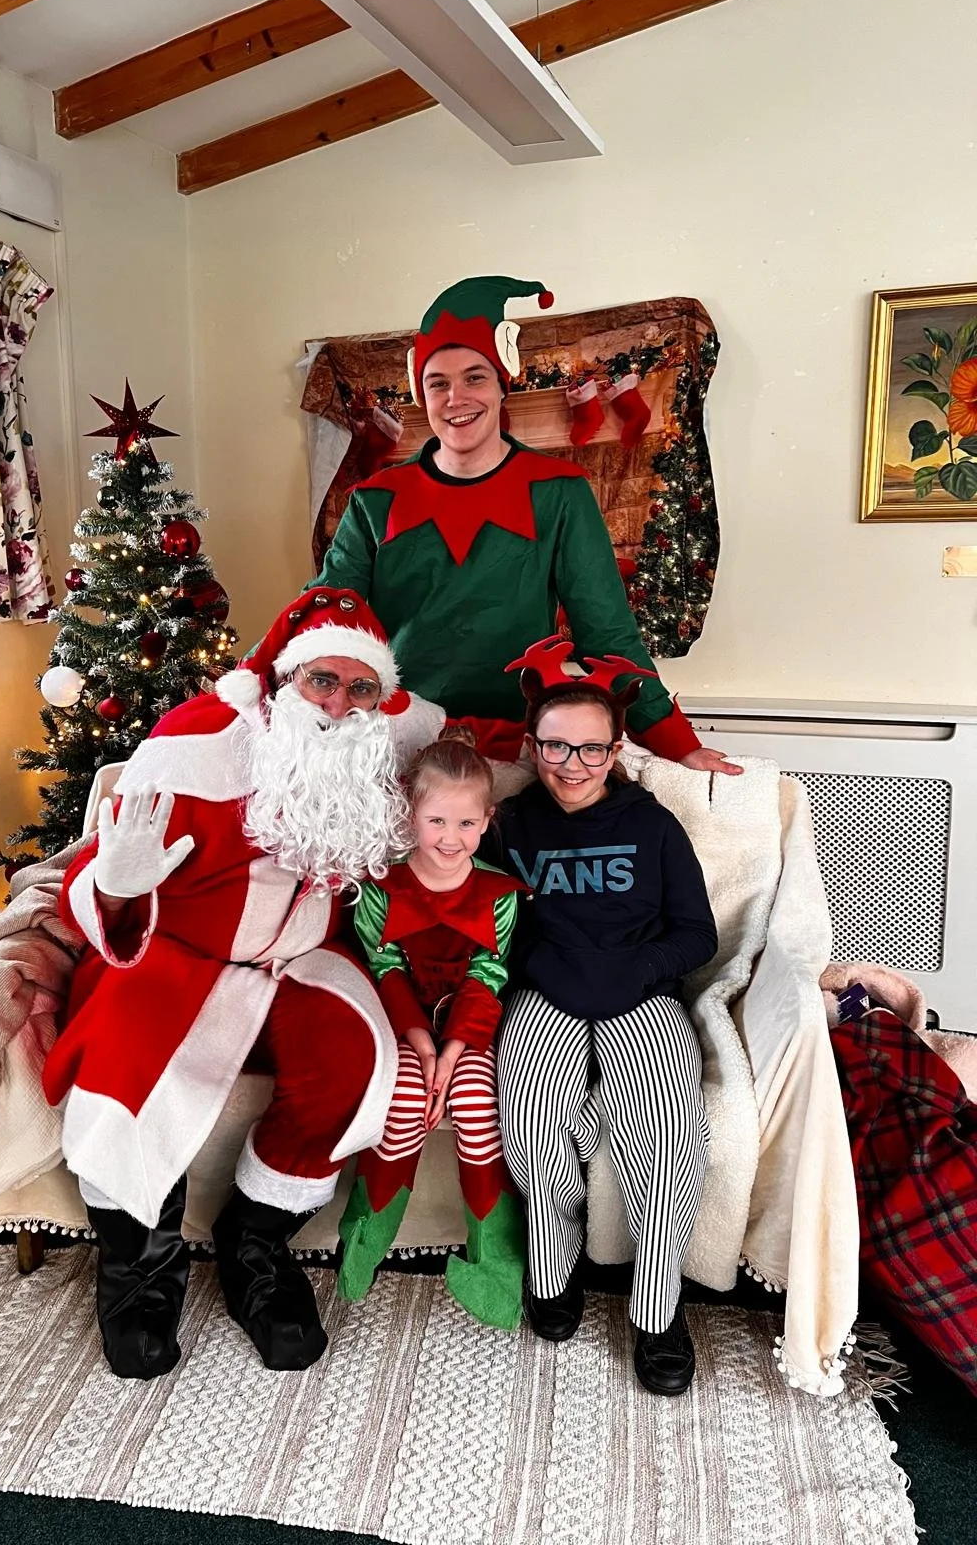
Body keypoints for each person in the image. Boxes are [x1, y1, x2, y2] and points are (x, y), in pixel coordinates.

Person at [41, 587, 444, 1381]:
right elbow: (98, 875)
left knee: (354, 1059)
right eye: (321, 682)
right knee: (126, 1060)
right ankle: (139, 1273)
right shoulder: (197, 742)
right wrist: (120, 884)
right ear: (284, 682)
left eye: (361, 687)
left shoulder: (386, 749)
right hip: (176, 948)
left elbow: (492, 753)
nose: (339, 705)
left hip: (301, 960)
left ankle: (255, 1243)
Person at [311, 274, 740, 777]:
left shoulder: (559, 492)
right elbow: (324, 617)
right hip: (399, 745)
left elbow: (607, 631)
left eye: (474, 377)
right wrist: (242, 690)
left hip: (517, 747)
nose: (456, 398)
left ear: (501, 383)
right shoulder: (374, 501)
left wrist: (676, 742)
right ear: (419, 393)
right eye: (438, 383)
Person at [490, 635, 719, 1395]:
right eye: (556, 747)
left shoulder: (651, 824)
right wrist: (540, 969)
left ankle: (656, 1312)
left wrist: (640, 972)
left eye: (591, 750)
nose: (572, 765)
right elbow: (486, 924)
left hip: (641, 993)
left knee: (666, 1130)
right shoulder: (511, 825)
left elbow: (697, 933)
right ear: (533, 744)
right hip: (546, 989)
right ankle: (553, 1272)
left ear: (616, 748)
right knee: (527, 1118)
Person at [336, 738, 527, 1330]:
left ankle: (494, 1259)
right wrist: (420, 1044)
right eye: (437, 820)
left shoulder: (497, 892)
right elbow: (384, 967)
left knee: (474, 1104)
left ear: (487, 820)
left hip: (469, 1029)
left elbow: (487, 975)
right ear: (409, 815)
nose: (451, 836)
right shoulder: (380, 887)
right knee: (405, 1106)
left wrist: (452, 1051)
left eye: (468, 822)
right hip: (400, 1022)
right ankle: (366, 1234)